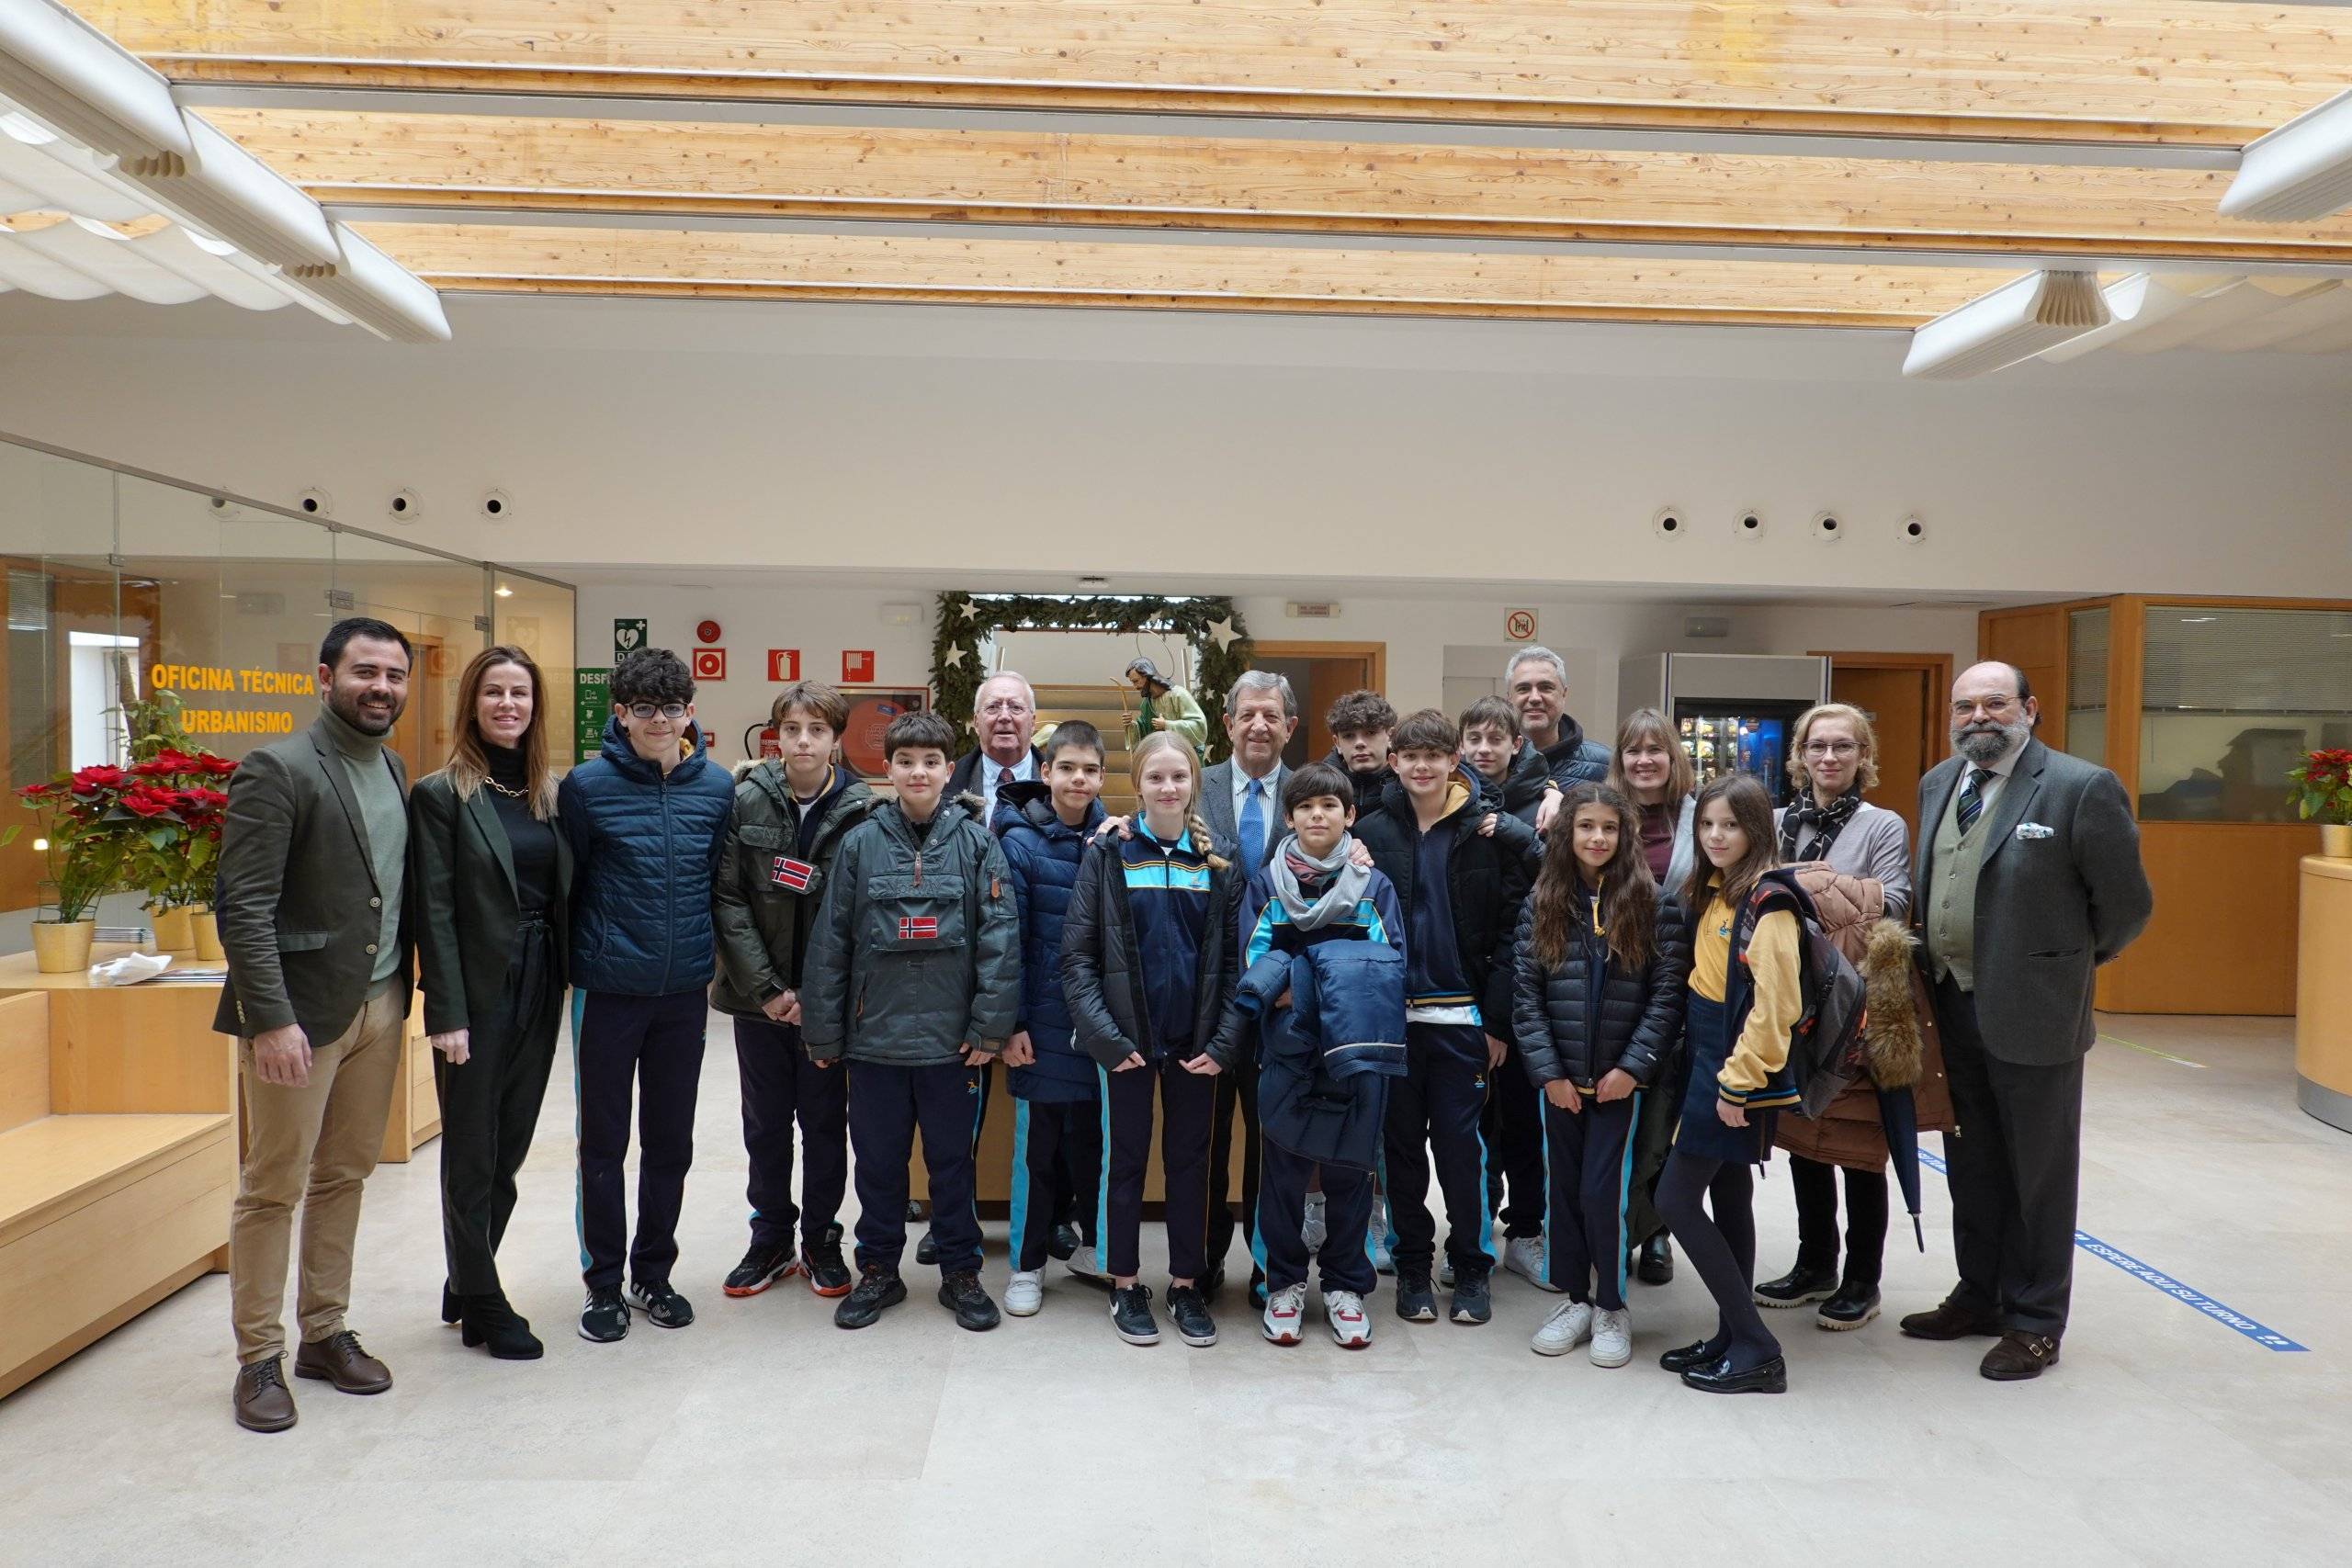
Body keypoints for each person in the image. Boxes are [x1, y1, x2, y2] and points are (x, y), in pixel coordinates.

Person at [1900, 662, 2151, 1381]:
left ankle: (2038, 1319)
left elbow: (2127, 904)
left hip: (2033, 1013)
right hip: (1950, 1007)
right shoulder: (1939, 782)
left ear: (2029, 709)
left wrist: (2062, 963)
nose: (1979, 715)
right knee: (1971, 1163)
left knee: (2039, 1172)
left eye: (1995, 702)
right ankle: (1980, 1294)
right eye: (1965, 704)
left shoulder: (2079, 787)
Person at [215, 617, 416, 1433]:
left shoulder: (395, 766)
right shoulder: (278, 768)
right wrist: (270, 1020)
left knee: (344, 1176)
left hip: (379, 1004)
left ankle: (324, 1332)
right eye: (365, 671)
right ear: (324, 675)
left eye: (395, 675)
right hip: (298, 1019)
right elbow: (244, 904)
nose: (381, 687)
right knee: (273, 1186)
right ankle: (257, 1356)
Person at [801, 708, 1019, 1333]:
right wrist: (825, 1030)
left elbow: (1000, 943)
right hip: (875, 1043)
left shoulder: (979, 844)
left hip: (953, 1045)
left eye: (930, 761)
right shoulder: (860, 844)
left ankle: (960, 1272)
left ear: (950, 770)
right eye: (905, 761)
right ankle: (878, 1270)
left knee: (952, 1163)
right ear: (886, 769)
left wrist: (988, 1029)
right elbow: (831, 942)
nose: (918, 771)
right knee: (877, 1163)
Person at [560, 647, 736, 1344]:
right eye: (642, 709)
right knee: (602, 1145)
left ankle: (652, 1274)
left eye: (671, 708)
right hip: (606, 993)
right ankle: (603, 1284)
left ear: (690, 712)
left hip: (682, 993)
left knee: (671, 1143)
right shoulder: (585, 787)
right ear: (620, 714)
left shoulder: (716, 788)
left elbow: (718, 879)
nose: (657, 721)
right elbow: (567, 887)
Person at [1201, 760, 1405, 1348]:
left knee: (1349, 1176)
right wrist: (1334, 971)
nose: (1319, 815)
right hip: (1287, 1053)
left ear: (1350, 816)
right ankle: (1285, 1282)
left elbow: (1385, 972)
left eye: (1331, 807)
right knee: (1283, 1176)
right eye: (1307, 807)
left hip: (1357, 1054)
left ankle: (1345, 1286)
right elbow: (1254, 968)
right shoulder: (1266, 885)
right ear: (1289, 817)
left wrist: (1303, 975)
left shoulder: (1375, 886)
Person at [409, 644, 570, 1361]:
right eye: (494, 692)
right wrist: (445, 1010)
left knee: (511, 1143)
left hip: (542, 977)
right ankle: (484, 1296)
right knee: (471, 1148)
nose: (509, 704)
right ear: (471, 703)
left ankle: (467, 1282)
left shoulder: (547, 794)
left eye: (521, 693)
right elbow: (434, 909)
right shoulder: (441, 795)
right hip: (476, 989)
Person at [1754, 703, 1936, 1331]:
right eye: (1818, 746)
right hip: (1793, 1003)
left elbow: (1894, 901)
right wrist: (1830, 891)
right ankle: (1814, 1263)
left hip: (1859, 1002)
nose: (1829, 758)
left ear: (1863, 756)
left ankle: (1863, 1277)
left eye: (1843, 747)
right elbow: (1753, 893)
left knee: (1859, 1145)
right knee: (1805, 1133)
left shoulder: (1881, 824)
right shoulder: (1776, 821)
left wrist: (1803, 885)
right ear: (1800, 754)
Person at [1060, 732, 1242, 1348]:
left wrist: (1222, 1041)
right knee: (1126, 1163)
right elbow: (1077, 960)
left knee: (1191, 1164)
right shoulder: (1108, 853)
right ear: (1137, 784)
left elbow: (1239, 962)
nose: (1169, 787)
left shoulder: (1218, 858)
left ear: (1195, 783)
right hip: (1127, 1045)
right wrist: (1107, 1038)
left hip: (1195, 1046)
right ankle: (1125, 1282)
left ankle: (1186, 1284)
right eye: (1157, 777)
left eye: (1180, 777)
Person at [1353, 709, 1533, 1326]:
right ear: (1394, 762)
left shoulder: (1485, 829)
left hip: (1463, 1018)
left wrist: (1497, 1021)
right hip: (1391, 1021)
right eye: (1410, 754)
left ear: (1454, 758)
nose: (1423, 765)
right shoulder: (1372, 832)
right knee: (1400, 1153)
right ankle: (1411, 1267)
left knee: (1464, 1153)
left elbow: (1515, 929)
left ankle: (1473, 1267)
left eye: (1434, 754)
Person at [711, 681, 875, 1303]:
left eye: (816, 730)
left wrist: (819, 995)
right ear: (775, 734)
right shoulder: (746, 798)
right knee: (765, 1124)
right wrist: (771, 990)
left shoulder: (862, 810)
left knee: (827, 1122)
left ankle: (821, 1236)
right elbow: (728, 897)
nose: (802, 741)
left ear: (835, 739)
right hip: (759, 1002)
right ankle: (771, 1234)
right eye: (791, 729)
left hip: (828, 1008)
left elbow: (863, 914)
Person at [1512, 783, 1687, 1366]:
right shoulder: (1542, 902)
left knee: (1603, 1194)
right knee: (1562, 1193)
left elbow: (1665, 1000)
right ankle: (1575, 1299)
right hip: (1560, 1083)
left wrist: (1632, 1069)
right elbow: (1526, 999)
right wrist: (1549, 1073)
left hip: (1619, 1085)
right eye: (1585, 826)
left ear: (1626, 835)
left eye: (1609, 828)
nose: (1597, 838)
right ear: (1567, 833)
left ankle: (1613, 1305)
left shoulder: (1653, 904)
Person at [1657, 773, 1804, 1394]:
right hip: (1706, 1050)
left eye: (1731, 825)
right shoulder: (1716, 890)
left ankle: (1758, 1345)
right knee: (1730, 1196)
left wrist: (1737, 1083)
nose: (1716, 835)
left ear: (1756, 831)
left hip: (1732, 1064)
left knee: (1675, 1200)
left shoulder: (1768, 903)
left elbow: (1777, 1009)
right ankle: (1731, 1334)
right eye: (1707, 824)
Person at [994, 719, 1114, 1313]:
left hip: (1097, 1027)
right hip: (1038, 1026)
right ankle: (1027, 1263)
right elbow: (1005, 939)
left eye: (1090, 769)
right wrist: (1010, 1022)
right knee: (1036, 1153)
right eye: (1067, 767)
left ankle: (1094, 1246)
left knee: (1092, 1148)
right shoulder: (1017, 841)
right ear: (1045, 773)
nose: (1078, 779)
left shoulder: (1116, 839)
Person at [1457, 694, 1549, 1264]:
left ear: (1518, 744)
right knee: (1471, 1123)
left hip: (1528, 983)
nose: (1484, 750)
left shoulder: (1545, 804)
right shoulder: (1452, 799)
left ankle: (1529, 1229)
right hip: (1466, 981)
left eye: (1497, 739)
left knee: (1521, 1118)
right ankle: (1475, 1227)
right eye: (1475, 740)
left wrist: (1517, 832)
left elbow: (1561, 873)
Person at [1610, 705, 1698, 1288]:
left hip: (1687, 985)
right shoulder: (1604, 814)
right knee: (1620, 1122)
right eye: (1633, 751)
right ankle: (1616, 1228)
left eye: (1655, 750)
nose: (1644, 760)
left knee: (1666, 1121)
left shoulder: (1701, 816)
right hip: (1615, 989)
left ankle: (1657, 1231)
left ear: (1674, 757)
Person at [1510, 647, 1611, 799]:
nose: (1535, 698)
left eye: (1546, 687)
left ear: (1564, 694)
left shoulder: (1605, 764)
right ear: (1509, 697)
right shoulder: (1486, 761)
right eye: (1523, 689)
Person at [945, 671, 1044, 829]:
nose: (1004, 716)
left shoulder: (1063, 782)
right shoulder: (948, 784)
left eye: (1016, 707)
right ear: (976, 723)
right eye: (992, 707)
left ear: (1032, 723)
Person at [1325, 688, 1398, 818]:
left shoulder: (1409, 784)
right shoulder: (1320, 786)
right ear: (1337, 743)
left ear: (1390, 736)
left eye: (1370, 733)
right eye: (1349, 736)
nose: (1359, 743)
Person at [1124, 656, 1208, 750]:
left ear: (1147, 676)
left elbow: (1199, 727)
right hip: (1159, 754)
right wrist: (1130, 725)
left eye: (1136, 681)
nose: (1135, 687)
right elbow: (1143, 730)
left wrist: (1167, 725)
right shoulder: (1147, 703)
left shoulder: (1178, 695)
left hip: (1183, 755)